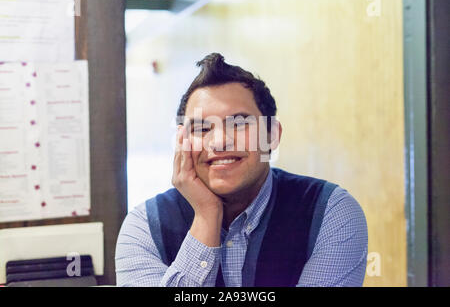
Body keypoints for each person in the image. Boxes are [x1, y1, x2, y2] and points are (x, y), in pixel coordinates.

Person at [115, 53, 368, 287]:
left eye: (238, 124)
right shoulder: (144, 227)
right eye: (202, 129)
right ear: (182, 142)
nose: (219, 141)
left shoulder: (329, 212)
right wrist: (206, 216)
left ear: (271, 135)